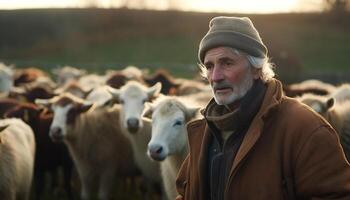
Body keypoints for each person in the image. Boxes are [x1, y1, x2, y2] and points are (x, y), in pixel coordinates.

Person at [175, 16, 350, 200]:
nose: (216, 77)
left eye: (227, 63)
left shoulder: (304, 128)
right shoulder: (203, 131)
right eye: (209, 66)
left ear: (257, 68)